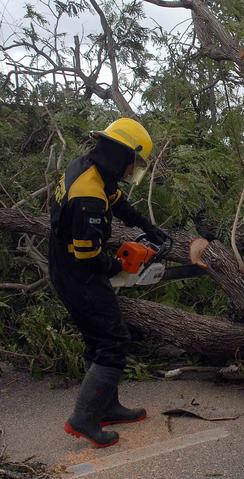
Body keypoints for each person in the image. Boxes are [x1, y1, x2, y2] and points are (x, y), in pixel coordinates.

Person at [49, 118, 168, 447]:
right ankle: (83, 419)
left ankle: (106, 406)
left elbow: (118, 202)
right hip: (78, 274)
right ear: (122, 155)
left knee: (98, 340)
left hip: (65, 266)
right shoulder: (89, 197)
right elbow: (89, 256)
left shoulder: (89, 168)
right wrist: (121, 264)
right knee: (114, 342)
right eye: (133, 164)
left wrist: (148, 228)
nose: (132, 171)